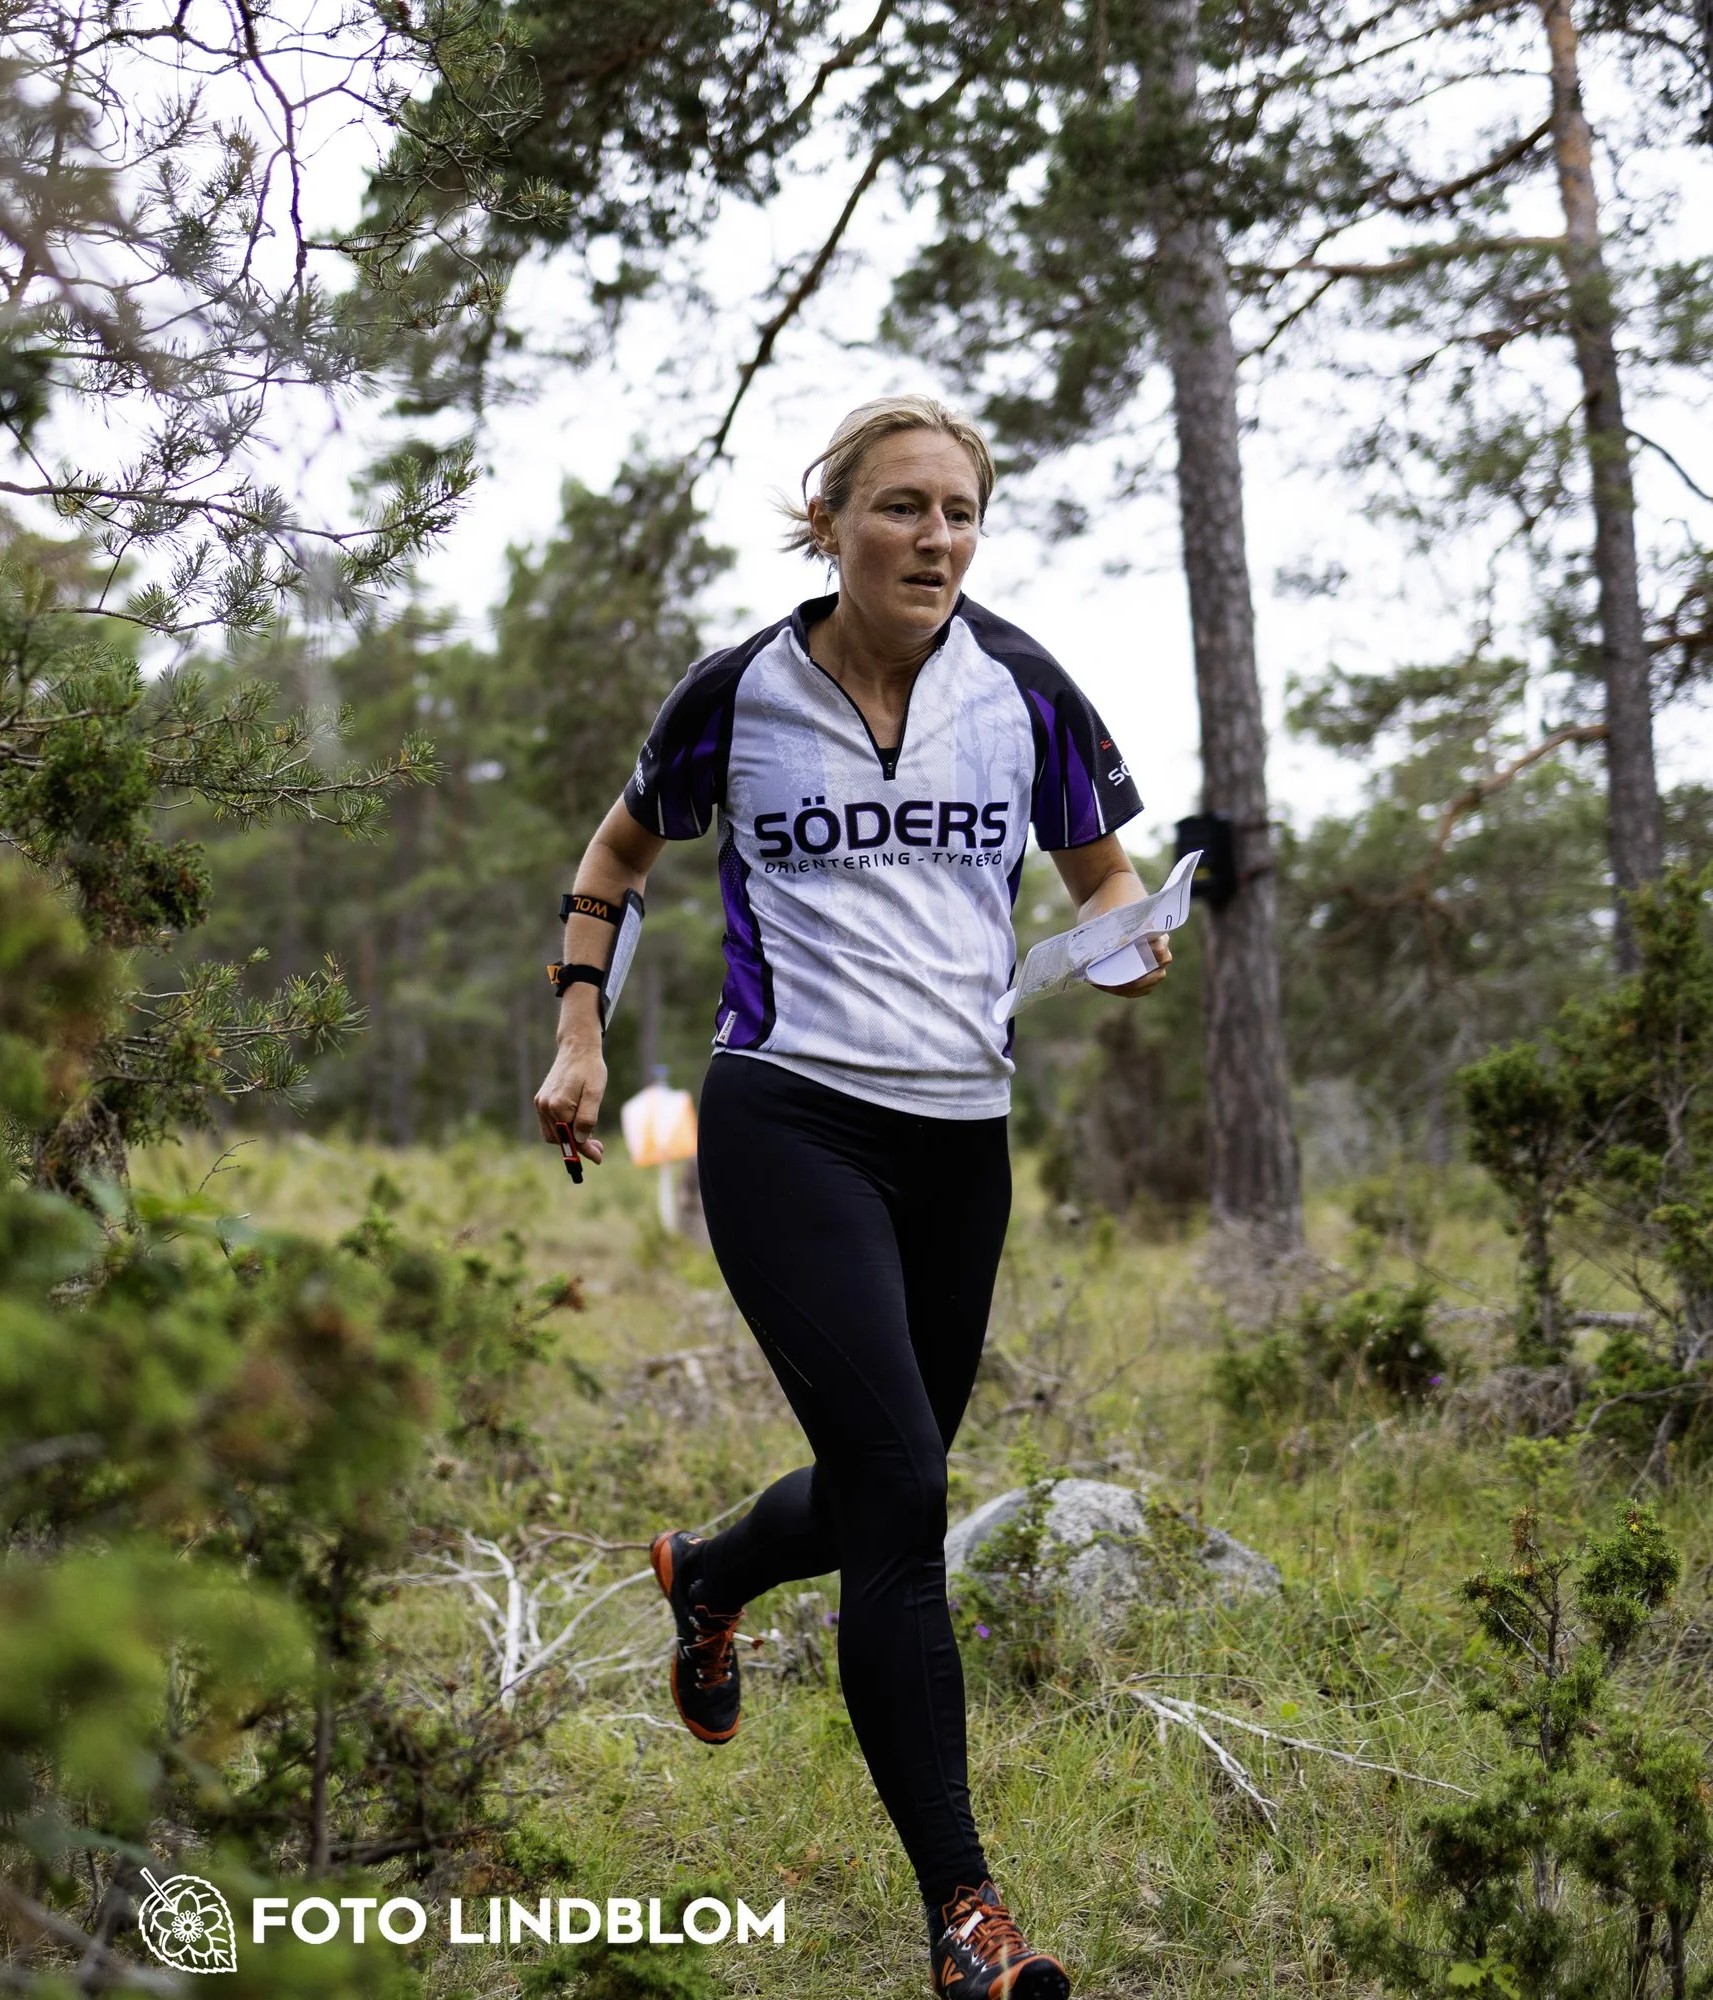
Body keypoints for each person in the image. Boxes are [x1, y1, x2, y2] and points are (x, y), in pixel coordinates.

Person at [533, 395, 1169, 2000]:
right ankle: (967, 1919)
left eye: (958, 510)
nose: (934, 537)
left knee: (896, 1475)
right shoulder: (736, 696)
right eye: (900, 508)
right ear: (831, 524)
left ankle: (714, 1572)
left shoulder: (1021, 688)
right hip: (789, 1117)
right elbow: (615, 862)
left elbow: (1103, 877)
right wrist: (578, 1038)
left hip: (959, 1134)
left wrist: (1123, 940)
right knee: (903, 1496)